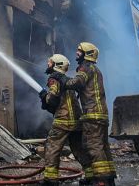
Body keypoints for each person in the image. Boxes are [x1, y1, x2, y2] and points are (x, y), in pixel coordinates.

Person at [57, 42, 116, 186]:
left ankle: (101, 181)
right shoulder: (96, 69)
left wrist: (61, 78)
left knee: (93, 146)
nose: (77, 53)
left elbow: (76, 83)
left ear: (87, 54)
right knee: (102, 146)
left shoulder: (86, 67)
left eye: (79, 51)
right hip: (101, 114)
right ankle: (108, 178)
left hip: (92, 115)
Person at [38, 54, 92, 186]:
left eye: (50, 62)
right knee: (79, 149)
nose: (48, 64)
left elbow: (52, 98)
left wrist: (45, 97)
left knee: (52, 147)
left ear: (56, 65)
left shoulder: (53, 79)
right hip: (77, 121)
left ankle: (50, 180)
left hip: (63, 120)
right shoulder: (67, 80)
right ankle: (91, 176)